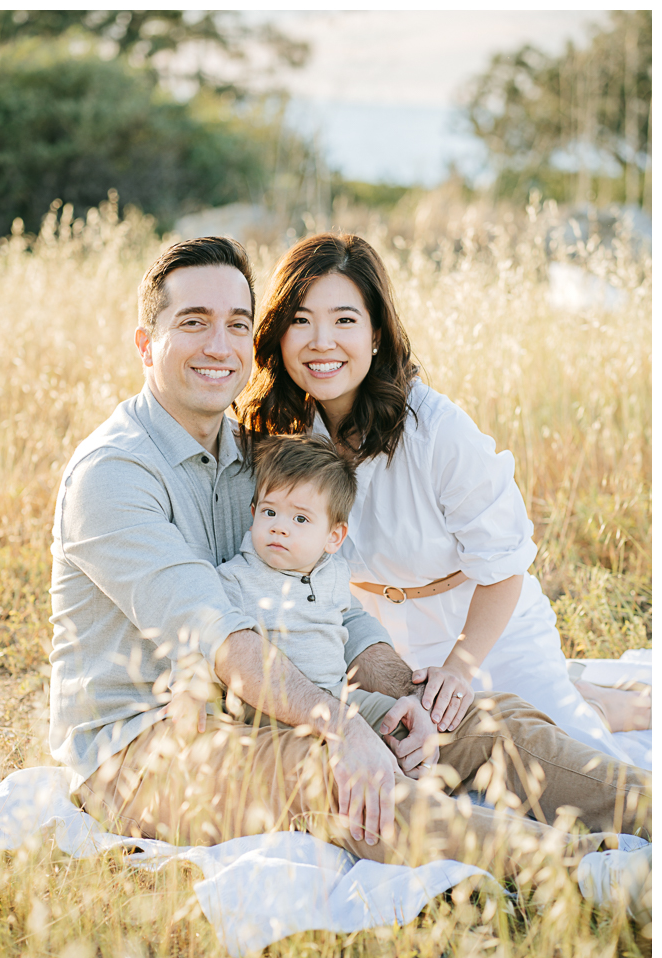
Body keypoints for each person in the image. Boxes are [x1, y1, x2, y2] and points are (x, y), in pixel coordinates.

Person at [48, 235, 651, 920]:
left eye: (237, 325)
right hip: (144, 743)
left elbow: (333, 597)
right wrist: (344, 727)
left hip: (263, 703)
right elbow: (220, 637)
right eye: (193, 322)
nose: (219, 344)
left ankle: (648, 817)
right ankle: (600, 876)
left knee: (476, 719)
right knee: (340, 777)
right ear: (144, 342)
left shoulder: (252, 454)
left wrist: (403, 697)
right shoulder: (114, 475)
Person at [235, 233, 650, 769]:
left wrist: (459, 667)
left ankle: (611, 704)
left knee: (573, 756)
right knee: (427, 762)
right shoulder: (277, 432)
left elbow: (505, 563)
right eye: (300, 320)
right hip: (373, 640)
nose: (321, 342)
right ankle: (588, 694)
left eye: (344, 320)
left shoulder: (434, 428)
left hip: (480, 625)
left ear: (377, 333)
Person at [214, 431, 439, 769]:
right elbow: (200, 640)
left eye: (300, 519)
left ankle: (421, 776)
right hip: (269, 715)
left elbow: (352, 625)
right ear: (253, 512)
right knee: (343, 764)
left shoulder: (333, 574)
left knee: (408, 727)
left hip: (338, 697)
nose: (280, 528)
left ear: (334, 537)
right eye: (269, 512)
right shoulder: (234, 579)